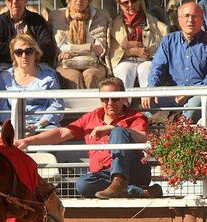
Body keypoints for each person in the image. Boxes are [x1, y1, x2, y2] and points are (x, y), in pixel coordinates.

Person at [14, 77, 161, 200]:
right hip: (104, 174)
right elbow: (61, 133)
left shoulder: (135, 116)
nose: (110, 102)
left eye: (115, 98)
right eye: (105, 99)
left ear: (124, 98)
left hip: (133, 170)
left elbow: (143, 137)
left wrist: (112, 129)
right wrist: (28, 141)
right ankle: (138, 191)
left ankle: (120, 183)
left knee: (118, 132)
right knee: (83, 185)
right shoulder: (91, 117)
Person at [144, 2, 207, 120]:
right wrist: (151, 88)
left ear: (202, 19)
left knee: (197, 104)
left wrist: (190, 92)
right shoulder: (168, 41)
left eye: (195, 16)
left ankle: (179, 132)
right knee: (146, 106)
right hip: (173, 94)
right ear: (179, 19)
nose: (190, 20)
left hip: (200, 93)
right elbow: (157, 68)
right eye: (186, 16)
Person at [48, 0, 110, 90]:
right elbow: (59, 48)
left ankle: (94, 107)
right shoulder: (57, 17)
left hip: (94, 62)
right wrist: (88, 47)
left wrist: (72, 51)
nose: (79, 0)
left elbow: (100, 49)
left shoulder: (100, 16)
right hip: (66, 63)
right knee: (74, 77)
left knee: (91, 76)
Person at [0, 34, 63, 132]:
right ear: (13, 55)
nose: (24, 56)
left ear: (36, 53)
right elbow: (1, 109)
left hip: (43, 126)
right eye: (18, 52)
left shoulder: (48, 75)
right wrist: (18, 126)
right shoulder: (4, 77)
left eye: (28, 51)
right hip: (13, 125)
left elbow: (57, 105)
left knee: (53, 133)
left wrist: (38, 125)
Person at [108, 0, 168, 88]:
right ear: (120, 4)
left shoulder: (156, 24)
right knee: (124, 71)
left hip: (147, 60)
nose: (130, 5)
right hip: (123, 61)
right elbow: (112, 53)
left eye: (133, 0)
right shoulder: (114, 26)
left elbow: (164, 47)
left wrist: (148, 51)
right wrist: (132, 51)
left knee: (147, 70)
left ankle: (149, 102)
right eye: (125, 3)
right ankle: (124, 104)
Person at [0, 0, 56, 71]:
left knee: (49, 74)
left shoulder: (38, 20)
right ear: (5, 1)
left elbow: (46, 45)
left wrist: (28, 57)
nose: (14, 2)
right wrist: (26, 52)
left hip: (36, 63)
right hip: (8, 64)